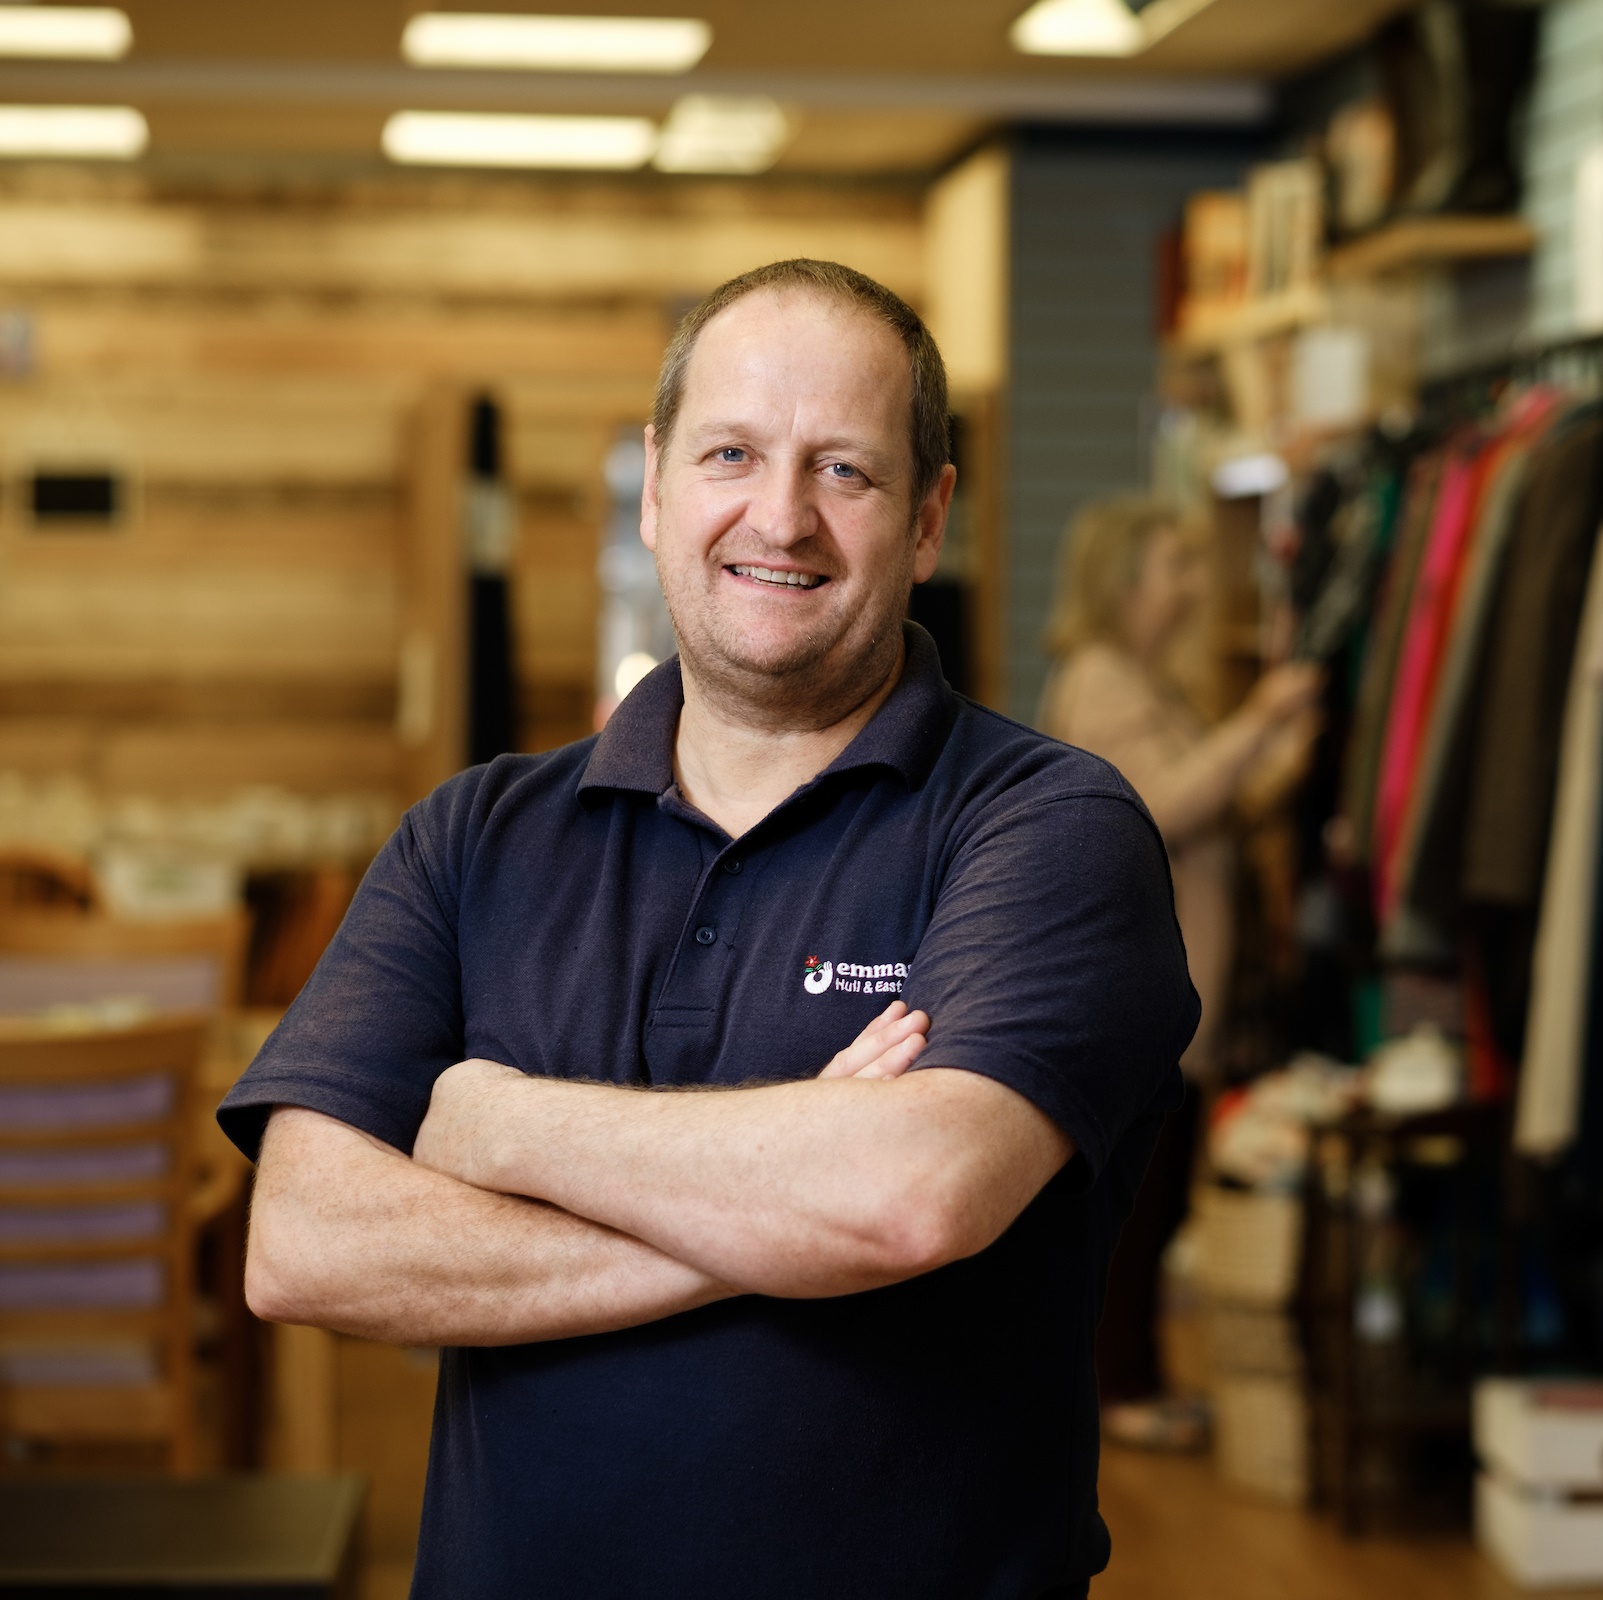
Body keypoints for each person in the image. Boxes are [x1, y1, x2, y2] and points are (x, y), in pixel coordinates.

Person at [223, 259, 1199, 1600]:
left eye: (843, 471)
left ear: (929, 516)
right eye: (732, 452)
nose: (780, 517)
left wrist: (498, 1125)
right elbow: (303, 1243)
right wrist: (789, 1210)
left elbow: (910, 1195)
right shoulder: (473, 835)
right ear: (658, 481)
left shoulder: (1049, 828)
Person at [1038, 498, 1319, 1448]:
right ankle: (1120, 1394)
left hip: (1177, 986)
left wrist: (1286, 750)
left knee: (1153, 1203)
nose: (1193, 586)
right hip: (1144, 993)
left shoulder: (1148, 681)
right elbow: (1158, 806)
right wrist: (1258, 720)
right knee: (1138, 1209)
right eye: (1175, 567)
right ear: (1125, 584)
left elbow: (1225, 806)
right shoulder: (1104, 680)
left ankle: (1135, 1382)